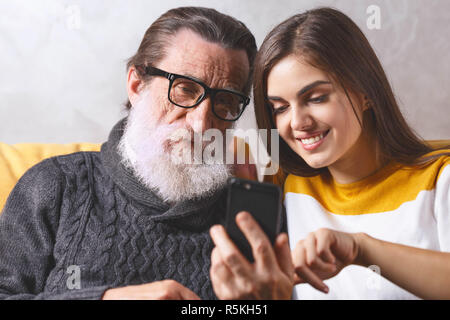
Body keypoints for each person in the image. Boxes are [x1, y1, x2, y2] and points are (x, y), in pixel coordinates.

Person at [0, 6, 287, 300]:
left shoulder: (253, 215)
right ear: (136, 86)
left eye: (225, 101)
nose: (201, 124)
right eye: (185, 90)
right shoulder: (55, 185)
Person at [210, 7, 450, 299]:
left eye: (316, 98)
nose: (298, 123)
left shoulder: (440, 180)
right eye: (280, 108)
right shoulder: (286, 182)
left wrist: (362, 249)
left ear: (366, 93)